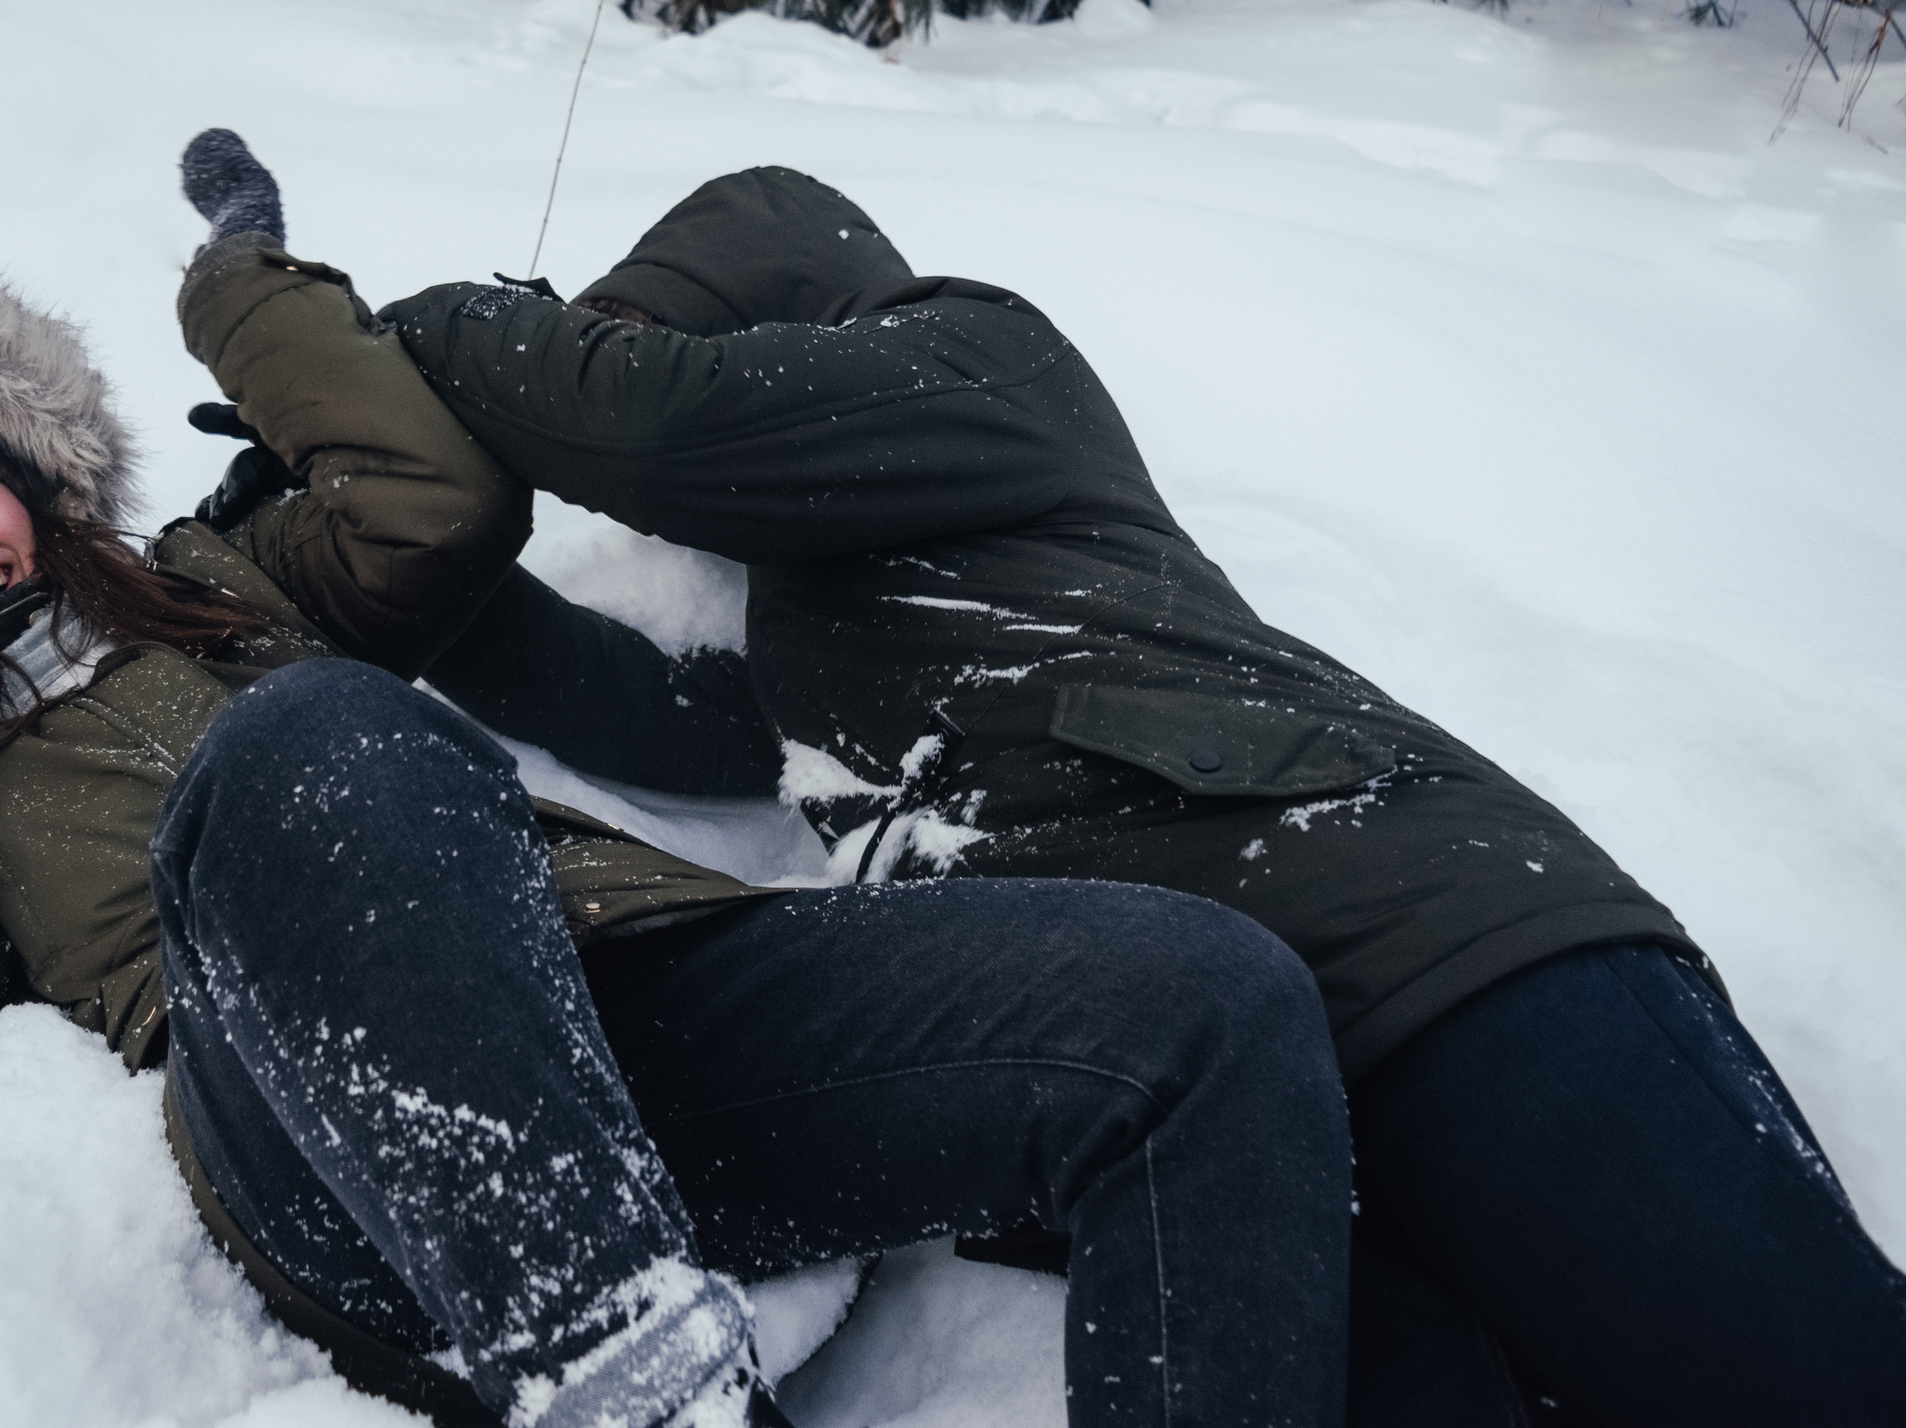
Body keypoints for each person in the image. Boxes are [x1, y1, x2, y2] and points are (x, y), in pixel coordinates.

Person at [0, 136, 1358, 1428]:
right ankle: (621, 1371)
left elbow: (433, 503)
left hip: (612, 1003)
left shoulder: (228, 588)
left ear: (32, 486)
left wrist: (245, 284)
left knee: (1205, 1007)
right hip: (338, 1146)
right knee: (319, 746)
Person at [357, 163, 1906, 1426]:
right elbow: (652, 711)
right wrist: (368, 552)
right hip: (1239, 1072)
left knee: (1795, 1384)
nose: (615, 363)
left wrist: (409, 342)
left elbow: (650, 422)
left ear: (762, 301)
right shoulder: (819, 593)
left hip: (1440, 935)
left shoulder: (978, 355)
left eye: (649, 326)